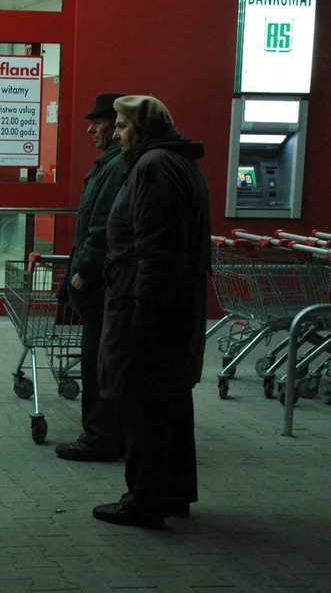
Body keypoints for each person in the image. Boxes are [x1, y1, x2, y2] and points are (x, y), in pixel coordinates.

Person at [92, 95, 210, 529]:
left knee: (144, 403)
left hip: (149, 304)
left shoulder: (154, 167)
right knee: (171, 402)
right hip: (177, 303)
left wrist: (143, 314)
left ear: (140, 130)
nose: (117, 134)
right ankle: (174, 492)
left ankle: (143, 500)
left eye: (122, 127)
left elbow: (156, 252)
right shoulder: (180, 163)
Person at [54, 92, 128, 463]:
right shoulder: (110, 164)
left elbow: (102, 228)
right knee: (101, 358)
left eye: (97, 121)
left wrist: (83, 271)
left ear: (118, 126)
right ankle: (108, 432)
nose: (90, 128)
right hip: (105, 281)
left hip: (101, 283)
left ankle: (99, 436)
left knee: (98, 360)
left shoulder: (116, 167)